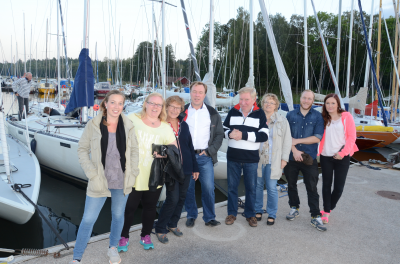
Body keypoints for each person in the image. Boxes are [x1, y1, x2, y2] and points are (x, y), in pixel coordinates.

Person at [72, 90, 139, 264]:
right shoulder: (93, 124)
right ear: (106, 104)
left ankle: (113, 248)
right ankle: (77, 257)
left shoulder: (129, 125)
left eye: (120, 103)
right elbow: (81, 150)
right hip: (99, 180)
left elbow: (134, 151)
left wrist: (133, 173)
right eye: (113, 102)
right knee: (88, 219)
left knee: (118, 216)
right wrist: (92, 174)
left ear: (123, 105)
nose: (116, 106)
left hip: (122, 179)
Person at [118, 93, 177, 252]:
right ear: (145, 103)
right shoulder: (132, 118)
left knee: (150, 208)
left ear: (162, 108)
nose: (155, 107)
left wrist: (163, 152)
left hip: (154, 175)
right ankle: (123, 236)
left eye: (159, 105)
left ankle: (145, 235)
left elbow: (174, 148)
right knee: (129, 208)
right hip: (133, 174)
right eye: (152, 103)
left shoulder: (165, 127)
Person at [154, 96, 199, 243]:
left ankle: (173, 224)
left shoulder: (183, 125)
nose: (174, 110)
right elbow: (155, 147)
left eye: (178, 107)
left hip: (186, 168)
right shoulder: (160, 125)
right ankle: (160, 227)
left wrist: (195, 167)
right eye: (172, 106)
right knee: (172, 199)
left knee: (181, 198)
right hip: (170, 168)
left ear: (181, 109)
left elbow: (190, 147)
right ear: (166, 107)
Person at [223, 87, 269, 227]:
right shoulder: (233, 111)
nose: (243, 102)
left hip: (250, 159)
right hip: (233, 157)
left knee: (251, 188)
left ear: (254, 99)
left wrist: (243, 135)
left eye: (246, 99)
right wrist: (230, 134)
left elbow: (264, 135)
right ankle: (232, 213)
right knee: (232, 187)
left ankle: (250, 214)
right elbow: (223, 129)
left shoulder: (260, 113)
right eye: (241, 99)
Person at [284, 90, 327, 231]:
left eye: (309, 98)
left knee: (312, 187)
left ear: (312, 100)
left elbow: (317, 137)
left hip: (309, 158)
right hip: (292, 156)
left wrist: (297, 141)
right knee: (291, 184)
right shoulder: (290, 115)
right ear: (300, 98)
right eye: (304, 97)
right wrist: (295, 150)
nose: (306, 100)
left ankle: (315, 215)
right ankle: (294, 207)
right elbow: (285, 136)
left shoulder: (318, 117)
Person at [183, 81, 224, 228]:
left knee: (208, 188)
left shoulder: (212, 113)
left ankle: (209, 217)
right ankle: (191, 215)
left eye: (200, 92)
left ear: (204, 95)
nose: (197, 95)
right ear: (190, 92)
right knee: (189, 188)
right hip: (187, 157)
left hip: (204, 156)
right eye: (194, 91)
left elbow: (220, 134)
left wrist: (210, 151)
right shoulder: (183, 111)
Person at [318, 93, 358, 224]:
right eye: (327, 103)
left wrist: (343, 153)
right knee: (326, 185)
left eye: (333, 103)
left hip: (342, 156)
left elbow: (352, 137)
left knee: (339, 188)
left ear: (338, 104)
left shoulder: (346, 116)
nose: (330, 106)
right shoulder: (323, 118)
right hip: (325, 156)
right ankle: (326, 211)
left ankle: (329, 208)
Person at [255, 93, 291, 225]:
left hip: (274, 159)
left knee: (271, 187)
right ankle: (257, 210)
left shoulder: (282, 120)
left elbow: (287, 141)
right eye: (266, 102)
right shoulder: (256, 118)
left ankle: (271, 213)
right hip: (258, 159)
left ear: (276, 106)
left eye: (271, 102)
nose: (268, 104)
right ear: (262, 103)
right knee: (258, 186)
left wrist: (284, 159)